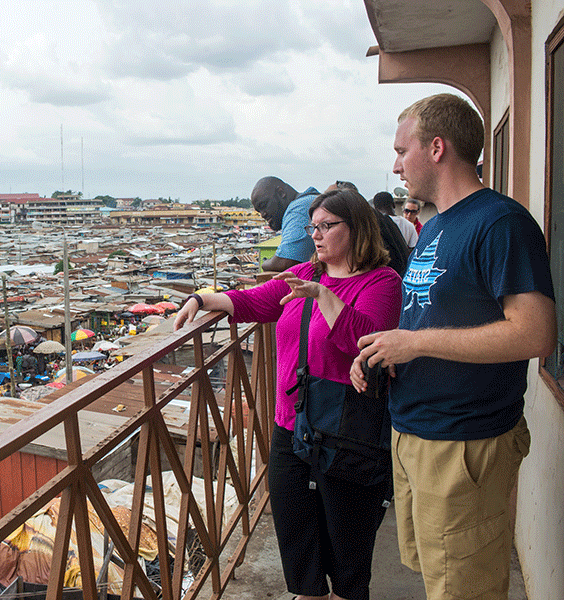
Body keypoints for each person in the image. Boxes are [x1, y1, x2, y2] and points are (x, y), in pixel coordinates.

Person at [351, 93, 556, 600]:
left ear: (437, 148)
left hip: (464, 443)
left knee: (465, 590)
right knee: (440, 578)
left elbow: (534, 333)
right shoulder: (436, 224)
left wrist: (415, 344)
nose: (395, 165)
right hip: (417, 433)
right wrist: (384, 352)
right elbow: (431, 312)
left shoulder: (499, 223)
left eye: (402, 150)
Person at [176, 187, 402, 600]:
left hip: (346, 429)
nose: (315, 235)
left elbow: (367, 343)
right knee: (297, 540)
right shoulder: (305, 275)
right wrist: (201, 298)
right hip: (292, 422)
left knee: (348, 550)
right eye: (312, 226)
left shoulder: (381, 282)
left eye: (326, 226)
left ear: (356, 229)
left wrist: (325, 297)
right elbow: (256, 302)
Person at [251, 176, 320, 272]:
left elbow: (285, 262)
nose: (263, 214)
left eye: (264, 205)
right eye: (259, 211)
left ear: (281, 193)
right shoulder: (310, 199)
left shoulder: (298, 209)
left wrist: (264, 264)